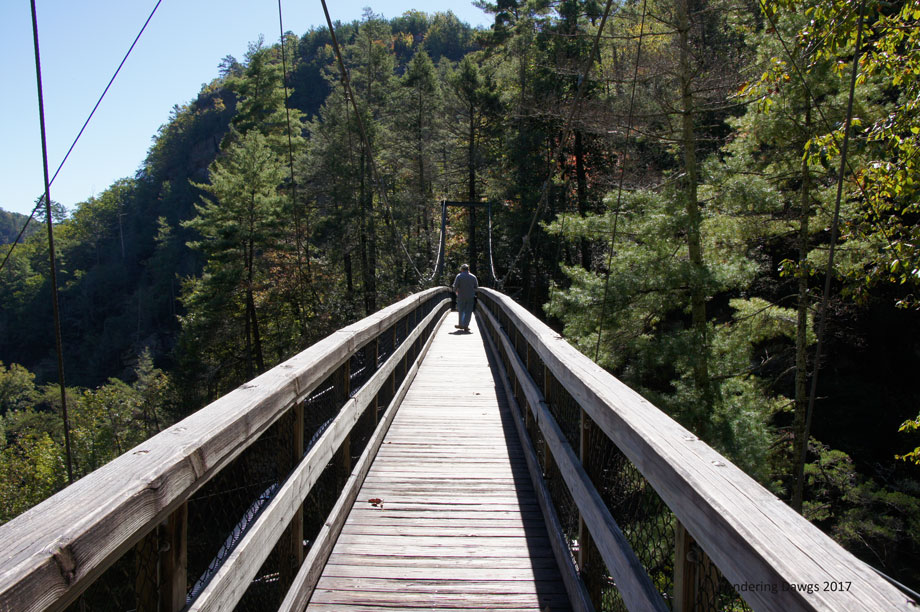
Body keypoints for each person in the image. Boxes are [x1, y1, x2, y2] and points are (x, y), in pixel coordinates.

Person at [451, 263, 478, 331]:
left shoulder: (459, 276)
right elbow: (476, 287)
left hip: (461, 296)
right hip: (470, 296)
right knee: (468, 311)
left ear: (462, 269)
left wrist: (455, 292)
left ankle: (461, 324)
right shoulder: (473, 277)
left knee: (461, 310)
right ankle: (466, 326)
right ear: (468, 269)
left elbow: (455, 286)